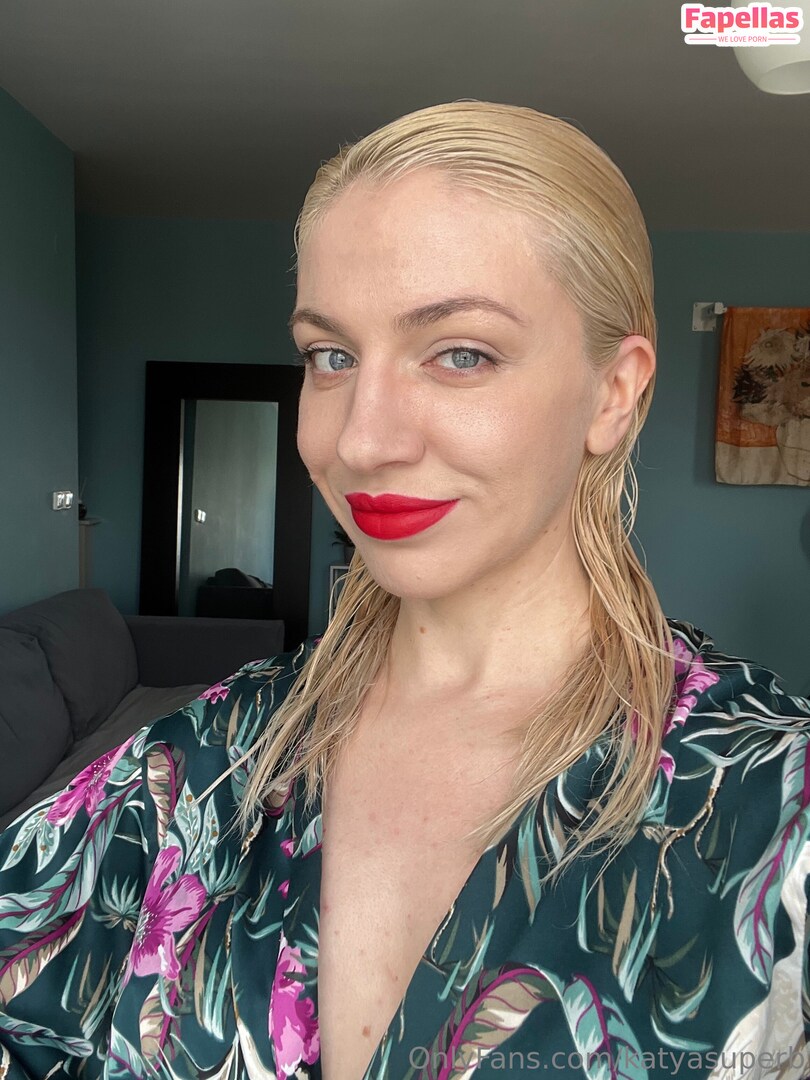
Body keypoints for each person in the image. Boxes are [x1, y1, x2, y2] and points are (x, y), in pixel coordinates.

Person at [1, 100, 809, 1080]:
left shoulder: (774, 805)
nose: (361, 439)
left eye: (461, 353)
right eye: (331, 356)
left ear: (614, 391)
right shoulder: (192, 771)